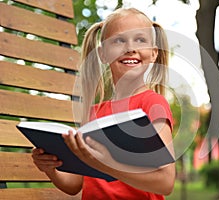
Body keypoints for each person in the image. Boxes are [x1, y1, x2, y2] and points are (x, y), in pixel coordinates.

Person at [31, 7, 175, 200]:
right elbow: (74, 185)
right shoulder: (94, 114)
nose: (130, 48)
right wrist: (50, 169)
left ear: (153, 53)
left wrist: (106, 165)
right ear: (103, 54)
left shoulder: (153, 103)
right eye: (119, 40)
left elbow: (165, 182)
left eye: (140, 40)